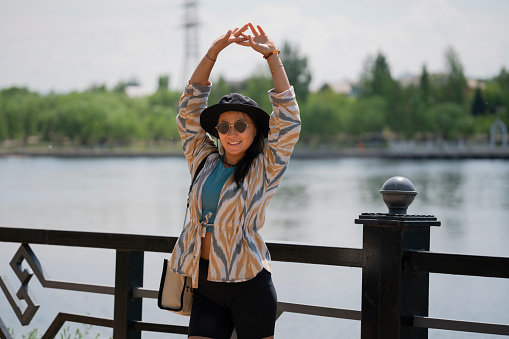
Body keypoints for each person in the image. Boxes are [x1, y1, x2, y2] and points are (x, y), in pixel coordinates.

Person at [169, 23, 301, 339]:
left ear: (256, 130)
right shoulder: (203, 160)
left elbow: (290, 123)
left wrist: (271, 56)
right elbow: (189, 112)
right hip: (205, 285)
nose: (232, 134)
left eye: (240, 125)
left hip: (250, 285)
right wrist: (213, 52)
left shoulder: (265, 168)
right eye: (224, 127)